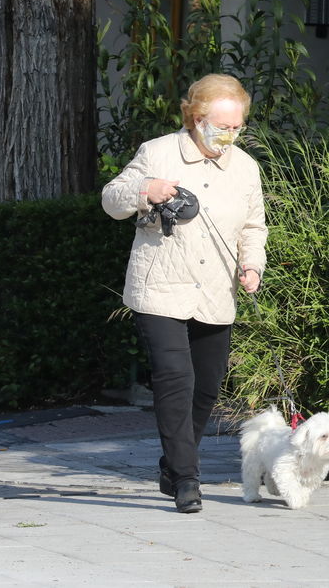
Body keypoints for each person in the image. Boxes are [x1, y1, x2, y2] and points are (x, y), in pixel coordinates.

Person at [101, 73, 268, 514]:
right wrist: (145, 190)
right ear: (196, 118)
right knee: (177, 379)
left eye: (237, 127)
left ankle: (172, 465)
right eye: (222, 126)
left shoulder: (246, 167)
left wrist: (252, 265)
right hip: (160, 286)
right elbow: (111, 199)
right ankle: (188, 480)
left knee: (207, 388)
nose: (230, 135)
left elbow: (254, 227)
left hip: (216, 290)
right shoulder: (157, 152)